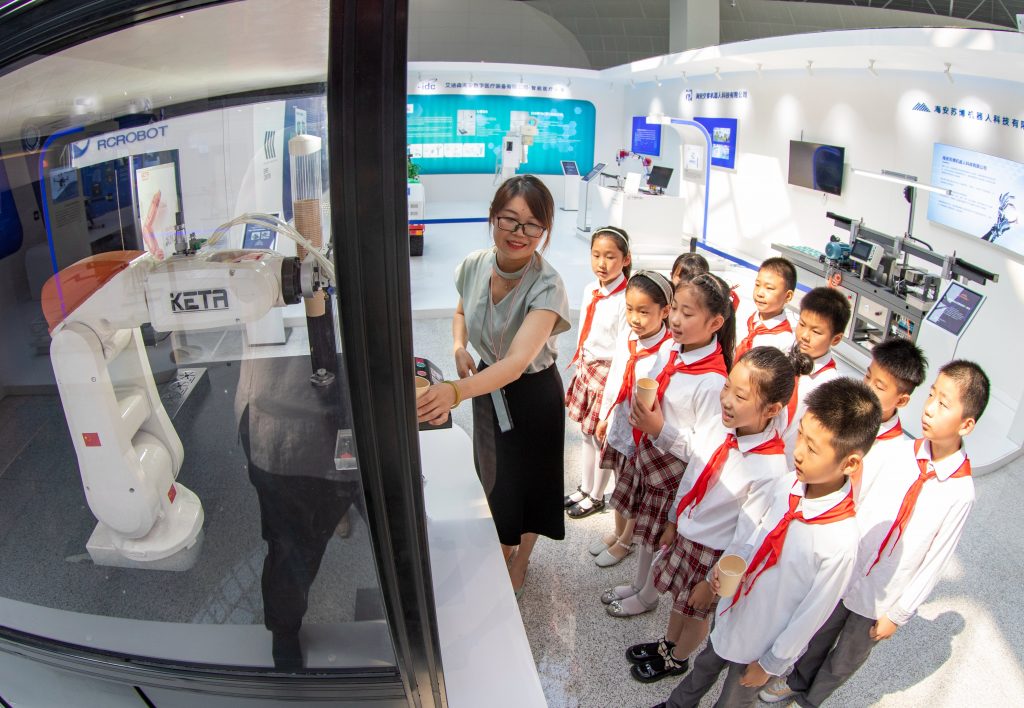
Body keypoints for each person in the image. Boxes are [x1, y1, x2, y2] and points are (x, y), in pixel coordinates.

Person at [761, 360, 988, 707]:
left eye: (943, 404)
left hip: (884, 594)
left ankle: (813, 700)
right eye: (931, 396)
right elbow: (858, 501)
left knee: (846, 657)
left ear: (967, 424)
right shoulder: (897, 453)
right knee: (819, 632)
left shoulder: (960, 492)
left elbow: (937, 558)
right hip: (852, 568)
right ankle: (796, 680)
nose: (929, 409)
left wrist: (899, 613)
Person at [656, 378, 881, 708]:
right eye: (801, 434)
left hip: (764, 641)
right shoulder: (786, 485)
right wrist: (717, 575)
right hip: (734, 611)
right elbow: (751, 535)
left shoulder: (839, 542)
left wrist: (772, 663)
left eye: (814, 447)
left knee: (734, 698)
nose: (799, 451)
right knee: (704, 667)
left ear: (850, 463)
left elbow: (811, 614)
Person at [415, 175, 571, 599]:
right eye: (510, 220)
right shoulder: (475, 263)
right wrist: (458, 345)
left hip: (532, 394)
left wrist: (453, 391)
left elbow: (518, 362)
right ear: (492, 217)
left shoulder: (547, 284)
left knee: (532, 483)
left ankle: (520, 558)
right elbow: (463, 310)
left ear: (545, 232)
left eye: (532, 225)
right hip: (486, 387)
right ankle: (499, 544)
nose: (519, 234)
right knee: (494, 475)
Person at [626, 347, 794, 684]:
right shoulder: (723, 425)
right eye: (728, 387)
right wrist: (674, 519)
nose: (727, 399)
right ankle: (667, 644)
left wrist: (713, 582)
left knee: (696, 611)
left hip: (713, 554)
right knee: (679, 602)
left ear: (772, 409)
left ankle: (678, 658)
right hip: (689, 534)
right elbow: (693, 466)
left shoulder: (770, 468)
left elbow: (747, 535)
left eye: (741, 395)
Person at [602, 273, 735, 617]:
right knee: (645, 534)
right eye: (674, 308)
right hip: (652, 461)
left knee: (658, 539)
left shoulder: (712, 381)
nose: (675, 319)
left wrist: (659, 428)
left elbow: (706, 452)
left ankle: (647, 595)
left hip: (673, 475)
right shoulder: (673, 351)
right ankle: (638, 584)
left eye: (687, 314)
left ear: (715, 322)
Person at [591, 271, 674, 567]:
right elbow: (616, 376)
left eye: (643, 311)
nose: (634, 318)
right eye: (629, 309)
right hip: (622, 423)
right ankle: (616, 531)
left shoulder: (668, 349)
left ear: (665, 312)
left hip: (644, 433)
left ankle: (627, 540)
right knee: (619, 480)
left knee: (636, 488)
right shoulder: (628, 336)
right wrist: (605, 414)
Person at [564, 226, 631, 519]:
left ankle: (597, 495)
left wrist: (611, 400)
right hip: (587, 368)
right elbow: (584, 331)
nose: (602, 263)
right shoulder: (591, 289)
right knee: (586, 435)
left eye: (610, 257)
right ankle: (585, 486)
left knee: (601, 437)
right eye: (596, 255)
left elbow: (622, 351)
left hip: (608, 376)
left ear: (626, 259)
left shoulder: (626, 299)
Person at [780, 287, 851, 467]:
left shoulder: (829, 386)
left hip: (787, 464)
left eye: (816, 332)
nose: (804, 336)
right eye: (802, 324)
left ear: (835, 339)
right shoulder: (782, 353)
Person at [852, 337, 928, 499]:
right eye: (867, 376)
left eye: (879, 387)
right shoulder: (845, 407)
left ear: (901, 401)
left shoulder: (894, 454)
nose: (867, 387)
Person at [734, 257, 797, 360]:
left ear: (787, 296)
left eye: (769, 288)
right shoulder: (750, 318)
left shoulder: (783, 340)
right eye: (757, 285)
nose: (759, 293)